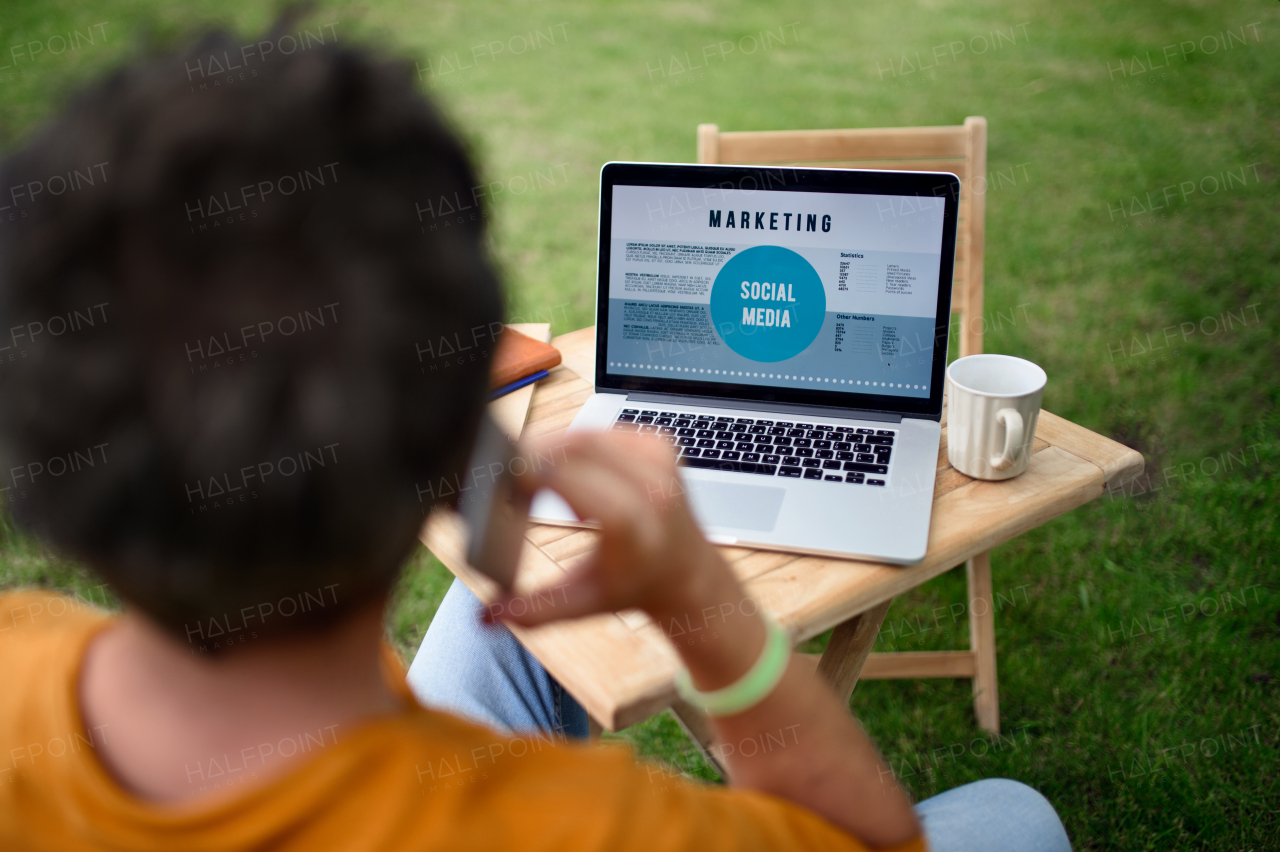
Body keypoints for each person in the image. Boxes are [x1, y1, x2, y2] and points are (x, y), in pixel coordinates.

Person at [0, 21, 1072, 852]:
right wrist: (698, 595)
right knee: (1014, 815)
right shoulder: (587, 828)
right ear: (463, 447)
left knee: (495, 618)